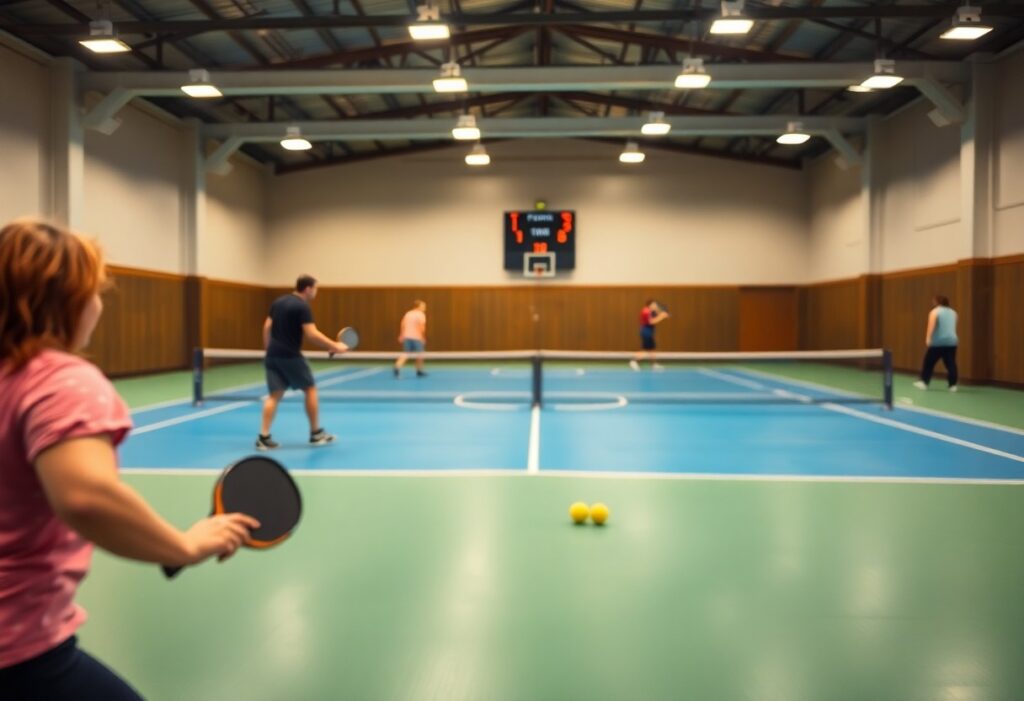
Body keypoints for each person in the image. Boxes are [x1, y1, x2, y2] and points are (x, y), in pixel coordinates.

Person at [0, 218, 258, 701]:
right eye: (96, 292)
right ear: (71, 301)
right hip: (18, 653)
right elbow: (87, 497)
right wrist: (182, 546)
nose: (99, 305)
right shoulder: (60, 380)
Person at [257, 275, 348, 450]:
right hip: (290, 356)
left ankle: (264, 436)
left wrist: (268, 349)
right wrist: (335, 346)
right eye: (315, 288)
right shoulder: (302, 306)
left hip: (272, 355)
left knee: (274, 395)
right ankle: (315, 433)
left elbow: (267, 326)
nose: (316, 292)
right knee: (310, 389)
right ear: (308, 289)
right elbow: (312, 334)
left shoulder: (279, 302)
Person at [914, 294, 959, 392]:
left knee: (929, 362)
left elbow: (931, 326)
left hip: (938, 342)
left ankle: (924, 382)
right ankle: (953, 385)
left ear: (937, 302)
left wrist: (928, 338)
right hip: (952, 342)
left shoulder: (934, 312)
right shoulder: (954, 313)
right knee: (951, 363)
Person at [630, 299, 669, 371]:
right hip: (646, 332)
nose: (655, 306)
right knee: (645, 349)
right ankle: (634, 361)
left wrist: (661, 313)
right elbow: (651, 322)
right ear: (649, 305)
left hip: (649, 332)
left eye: (656, 305)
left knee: (652, 349)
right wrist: (662, 317)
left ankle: (653, 365)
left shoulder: (650, 311)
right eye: (654, 305)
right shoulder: (646, 311)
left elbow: (656, 314)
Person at [394, 300, 427, 379]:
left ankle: (397, 366)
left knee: (406, 353)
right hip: (417, 338)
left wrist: (401, 334)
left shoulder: (408, 313)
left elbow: (402, 324)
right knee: (420, 355)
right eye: (423, 306)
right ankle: (419, 370)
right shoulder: (421, 314)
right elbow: (421, 326)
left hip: (406, 337)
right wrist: (423, 337)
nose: (424, 308)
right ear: (418, 306)